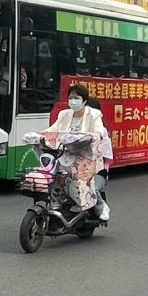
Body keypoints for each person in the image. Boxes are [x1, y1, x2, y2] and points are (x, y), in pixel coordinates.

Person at [48, 83, 113, 221]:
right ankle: (56, 202)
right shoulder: (64, 115)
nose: (73, 101)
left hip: (89, 160)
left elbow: (100, 130)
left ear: (84, 100)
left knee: (84, 180)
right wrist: (40, 136)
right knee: (52, 175)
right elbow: (53, 130)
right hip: (67, 157)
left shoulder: (94, 114)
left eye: (76, 98)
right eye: (70, 98)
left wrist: (93, 135)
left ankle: (101, 206)